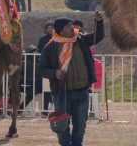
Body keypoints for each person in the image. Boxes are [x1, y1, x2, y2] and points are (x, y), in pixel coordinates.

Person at [40, 13, 104, 146]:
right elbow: (42, 69)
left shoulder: (80, 40)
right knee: (62, 128)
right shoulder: (51, 47)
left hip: (82, 92)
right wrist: (54, 73)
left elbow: (98, 36)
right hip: (62, 94)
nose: (73, 28)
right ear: (61, 30)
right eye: (69, 26)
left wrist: (99, 22)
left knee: (80, 127)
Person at [37, 22, 55, 115]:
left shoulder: (57, 39)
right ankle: (45, 110)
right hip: (46, 68)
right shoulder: (42, 39)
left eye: (52, 27)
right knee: (46, 89)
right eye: (48, 27)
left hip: (55, 67)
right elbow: (39, 50)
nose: (50, 29)